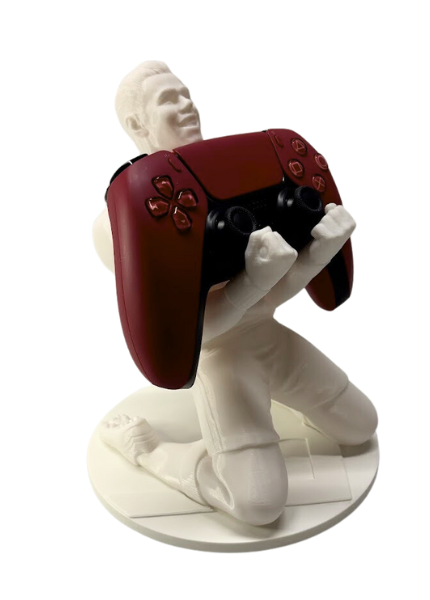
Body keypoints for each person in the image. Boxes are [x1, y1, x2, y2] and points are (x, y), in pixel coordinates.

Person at [93, 61, 377, 526]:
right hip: (220, 357)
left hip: (268, 338)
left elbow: (269, 294)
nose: (186, 105)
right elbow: (191, 337)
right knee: (258, 504)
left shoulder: (246, 173)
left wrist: (319, 251)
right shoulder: (119, 224)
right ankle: (148, 449)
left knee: (362, 426)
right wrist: (257, 281)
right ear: (137, 124)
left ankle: (277, 408)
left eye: (186, 94)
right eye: (169, 100)